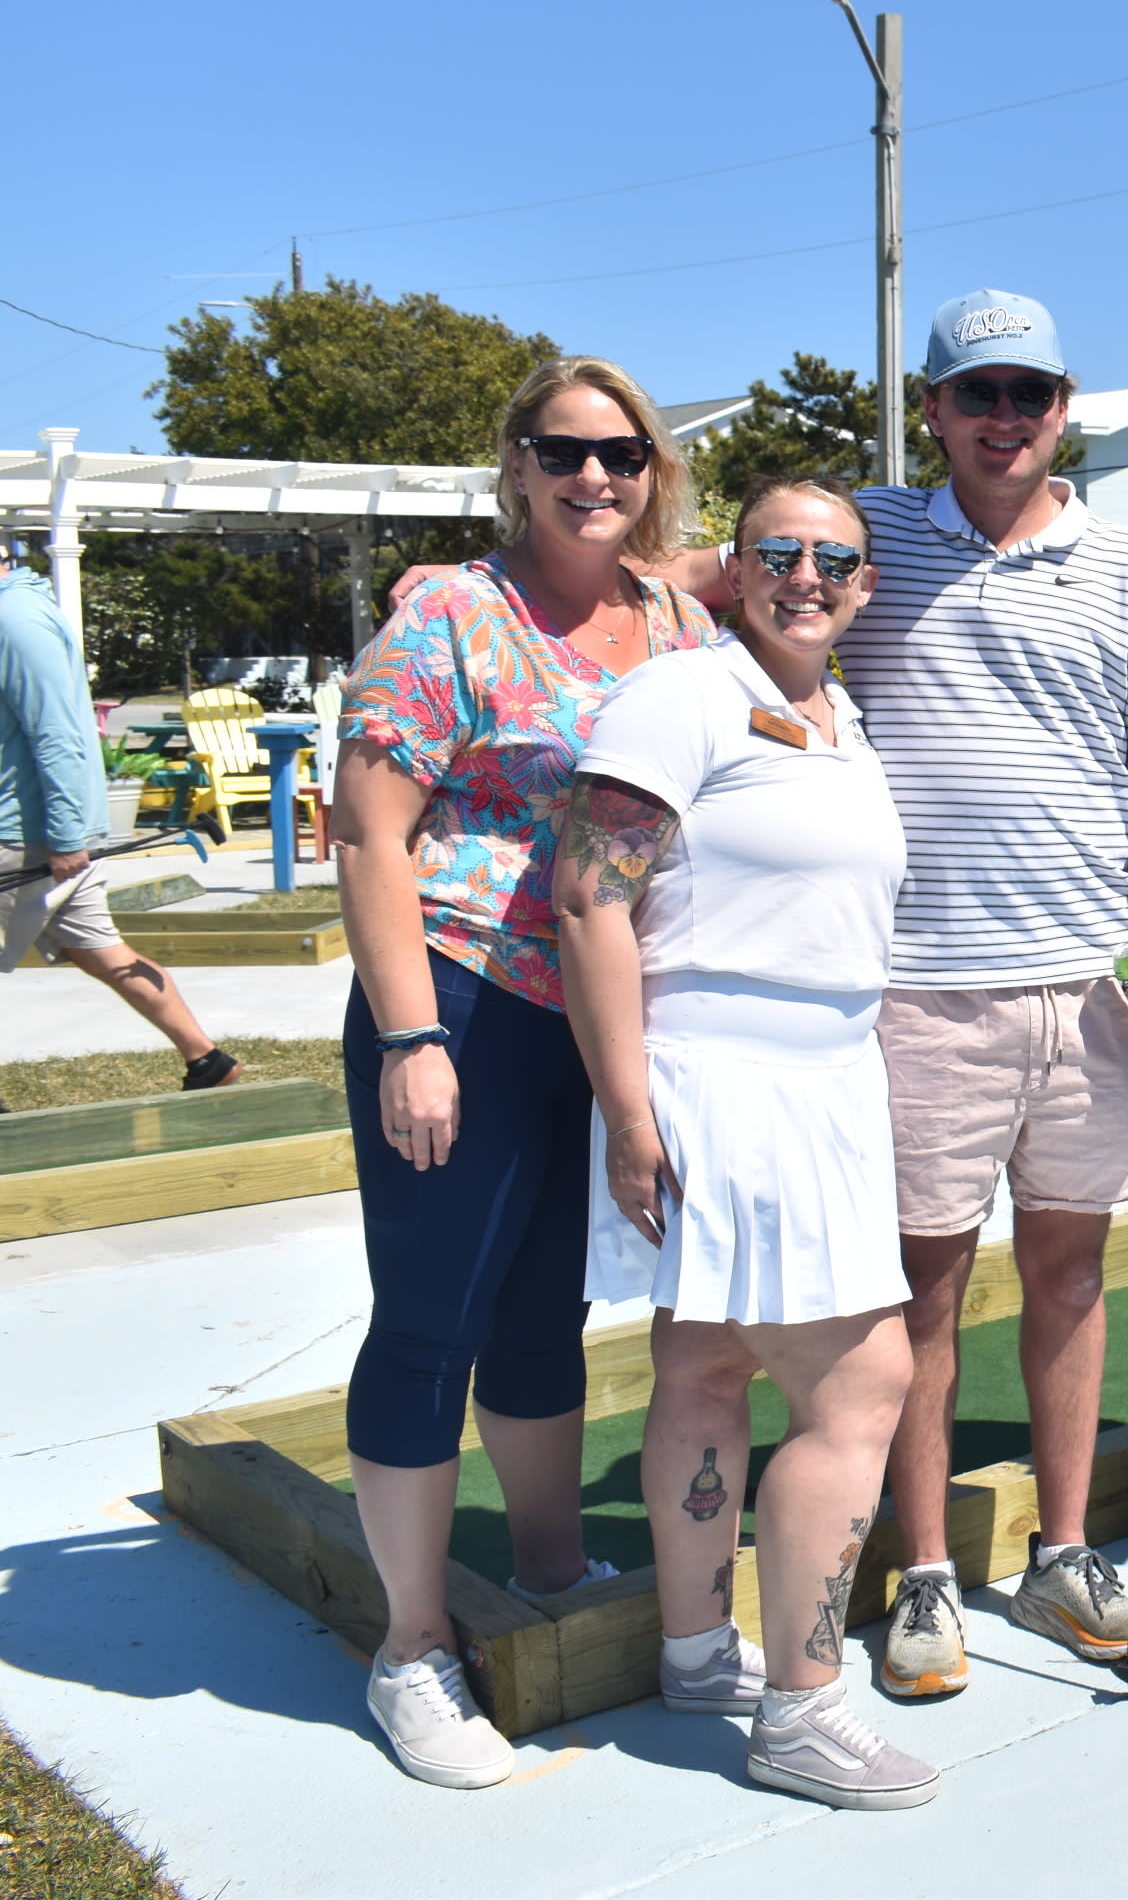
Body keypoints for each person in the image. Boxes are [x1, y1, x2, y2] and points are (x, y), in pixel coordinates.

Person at [409, 291, 1128, 1692]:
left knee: (1069, 1274)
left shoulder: (1115, 573)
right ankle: (920, 1578)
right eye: (976, 392)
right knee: (904, 1305)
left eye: (1029, 392)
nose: (1004, 417)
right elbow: (679, 570)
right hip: (908, 1005)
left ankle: (1061, 1552)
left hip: (1084, 989)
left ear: (1062, 405)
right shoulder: (862, 541)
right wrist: (505, 577)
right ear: (934, 409)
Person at [332, 355, 719, 1788]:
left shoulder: (676, 619)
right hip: (465, 996)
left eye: (621, 453)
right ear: (517, 463)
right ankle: (412, 1646)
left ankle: (549, 1566)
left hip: (604, 1015)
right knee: (431, 1319)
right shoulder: (449, 614)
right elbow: (369, 833)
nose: (593, 476)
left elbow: (778, 559)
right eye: (563, 452)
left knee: (548, 1312)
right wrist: (413, 1036)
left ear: (653, 467)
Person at [554, 475, 933, 1809]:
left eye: (835, 558)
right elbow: (589, 898)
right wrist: (629, 1110)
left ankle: (700, 1653)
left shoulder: (843, 717)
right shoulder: (682, 693)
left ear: (864, 585)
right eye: (779, 551)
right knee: (863, 1384)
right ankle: (804, 1708)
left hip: (824, 1079)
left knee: (707, 1364)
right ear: (737, 566)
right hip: (723, 1079)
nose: (806, 575)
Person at [1, 545, 244, 1097]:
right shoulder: (20, 610)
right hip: (47, 834)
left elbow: (57, 732)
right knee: (104, 953)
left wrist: (67, 837)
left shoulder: (14, 619)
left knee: (103, 951)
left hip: (24, 834)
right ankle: (207, 1060)